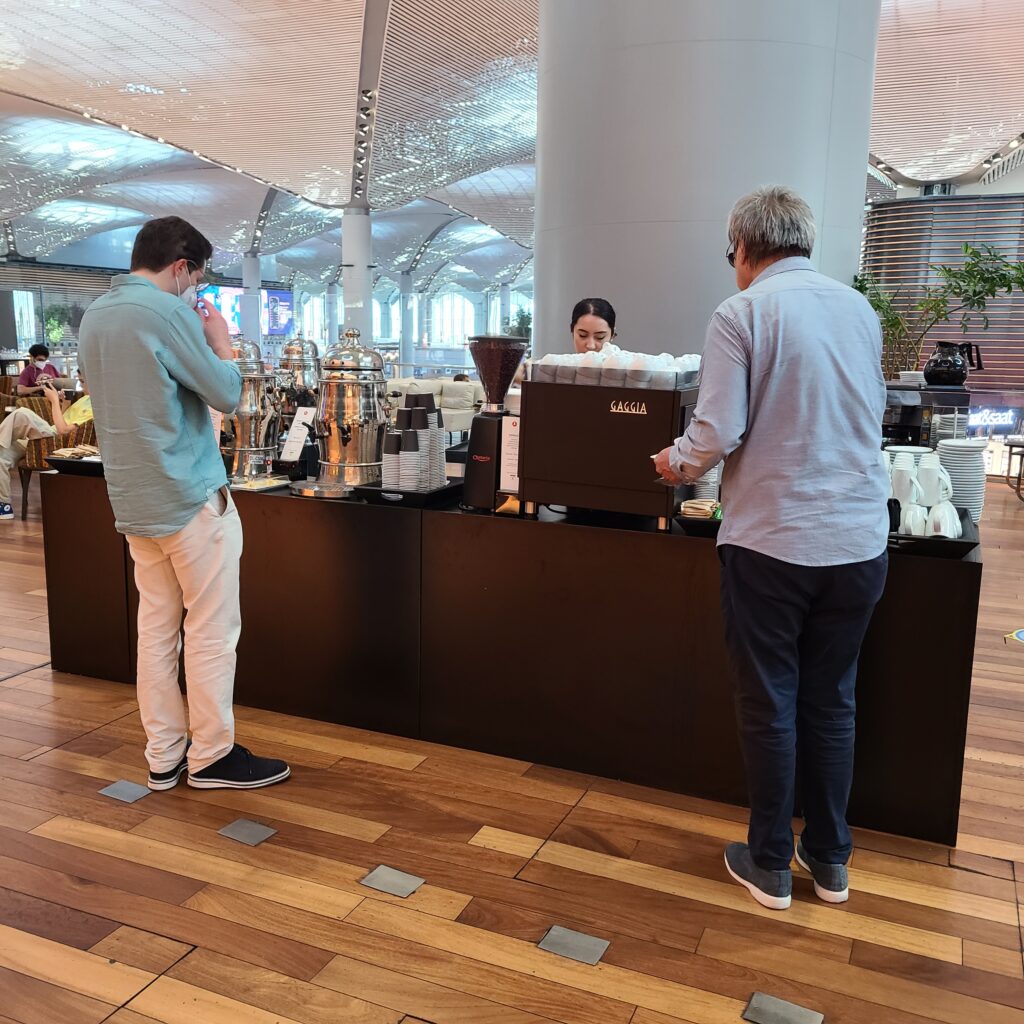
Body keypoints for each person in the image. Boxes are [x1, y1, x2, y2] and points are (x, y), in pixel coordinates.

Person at [654, 186, 889, 911]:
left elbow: (717, 430)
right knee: (833, 701)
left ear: (744, 248)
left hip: (773, 543)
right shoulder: (860, 310)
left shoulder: (742, 312)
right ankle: (831, 861)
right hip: (858, 542)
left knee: (770, 703)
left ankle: (768, 864)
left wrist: (675, 463)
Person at [78, 216, 290, 792]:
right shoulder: (167, 313)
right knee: (211, 630)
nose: (195, 289)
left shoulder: (95, 315)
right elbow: (227, 392)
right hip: (191, 497)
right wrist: (221, 342)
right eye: (197, 278)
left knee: (156, 630)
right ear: (180, 267)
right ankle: (212, 755)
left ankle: (164, 755)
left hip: (134, 498)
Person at [0, 379, 93, 520]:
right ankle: (4, 506)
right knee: (1, 457)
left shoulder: (95, 407)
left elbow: (63, 431)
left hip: (57, 441)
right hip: (45, 435)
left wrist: (54, 401)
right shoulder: (85, 399)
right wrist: (65, 403)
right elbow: (62, 420)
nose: (80, 385)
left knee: (22, 413)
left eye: (82, 381)